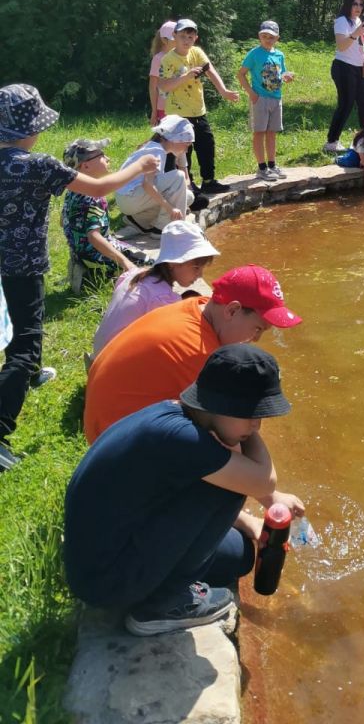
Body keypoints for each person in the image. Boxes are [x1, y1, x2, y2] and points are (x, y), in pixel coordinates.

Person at [65, 343, 306, 636]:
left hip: (109, 555)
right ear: (219, 405)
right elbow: (262, 481)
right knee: (230, 489)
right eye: (252, 413)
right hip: (105, 580)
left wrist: (249, 521)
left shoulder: (180, 417)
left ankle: (168, 583)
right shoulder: (182, 439)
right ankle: (161, 607)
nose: (258, 424)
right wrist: (247, 437)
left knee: (241, 556)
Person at [0, 84, 158, 472]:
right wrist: (140, 166)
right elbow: (99, 188)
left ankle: (29, 375)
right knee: (25, 343)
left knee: (14, 327)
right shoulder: (38, 165)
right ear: (30, 129)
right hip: (23, 268)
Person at [83, 264, 301, 443]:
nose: (256, 339)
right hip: (112, 442)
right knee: (235, 461)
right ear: (232, 310)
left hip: (105, 422)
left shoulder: (196, 306)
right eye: (258, 329)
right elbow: (227, 433)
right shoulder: (199, 352)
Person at [91, 220, 220, 359]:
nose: (200, 275)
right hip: (114, 363)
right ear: (173, 263)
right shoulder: (163, 299)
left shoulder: (134, 274)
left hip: (99, 352)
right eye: (196, 268)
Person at [158, 18, 240, 195]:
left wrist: (224, 91)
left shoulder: (196, 52)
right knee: (182, 151)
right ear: (174, 36)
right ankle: (187, 184)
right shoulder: (168, 59)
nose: (186, 40)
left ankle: (209, 181)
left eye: (190, 36)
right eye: (182, 36)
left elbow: (210, 71)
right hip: (177, 115)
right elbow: (163, 86)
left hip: (198, 111)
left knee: (206, 145)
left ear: (195, 38)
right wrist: (186, 76)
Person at [61, 138, 152, 282]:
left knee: (131, 250)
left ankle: (85, 267)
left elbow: (63, 222)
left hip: (79, 252)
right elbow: (94, 237)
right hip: (95, 255)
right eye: (101, 155)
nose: (108, 158)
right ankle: (104, 274)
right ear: (86, 166)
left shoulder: (72, 191)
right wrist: (125, 263)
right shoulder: (93, 197)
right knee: (150, 264)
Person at [116, 114, 199, 234]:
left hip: (128, 199)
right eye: (186, 145)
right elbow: (147, 185)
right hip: (130, 197)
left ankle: (139, 221)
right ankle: (164, 229)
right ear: (175, 139)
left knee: (188, 197)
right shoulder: (156, 151)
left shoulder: (155, 148)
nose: (186, 150)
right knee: (178, 177)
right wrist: (170, 209)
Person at [237, 20, 294, 182]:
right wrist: (251, 93)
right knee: (259, 132)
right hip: (260, 99)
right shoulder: (254, 54)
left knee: (272, 133)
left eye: (271, 37)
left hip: (276, 98)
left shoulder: (279, 55)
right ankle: (262, 168)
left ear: (277, 38)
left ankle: (272, 165)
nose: (268, 39)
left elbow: (281, 73)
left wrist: (287, 76)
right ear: (259, 36)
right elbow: (241, 74)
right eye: (265, 36)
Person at [323, 0, 364, 154]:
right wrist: (355, 33)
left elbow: (360, 46)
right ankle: (331, 142)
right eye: (355, 4)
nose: (358, 7)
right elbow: (341, 46)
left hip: (358, 69)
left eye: (361, 4)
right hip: (343, 67)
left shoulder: (359, 21)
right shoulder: (341, 21)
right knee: (346, 104)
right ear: (348, 4)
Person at [148, 21, 177, 125]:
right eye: (175, 39)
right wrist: (154, 112)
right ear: (164, 40)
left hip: (183, 108)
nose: (179, 41)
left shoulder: (183, 56)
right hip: (164, 109)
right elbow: (153, 87)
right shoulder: (158, 59)